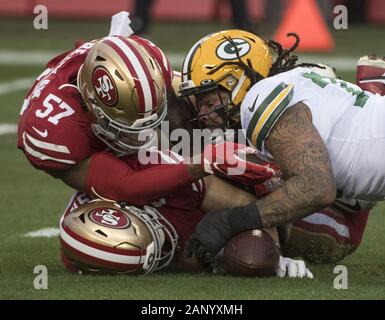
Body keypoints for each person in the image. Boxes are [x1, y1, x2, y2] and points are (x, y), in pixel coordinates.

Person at [178, 29, 384, 265]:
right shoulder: (295, 78)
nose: (203, 114)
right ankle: (375, 86)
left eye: (208, 101)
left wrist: (230, 221)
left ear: (235, 81)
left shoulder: (260, 99)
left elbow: (316, 188)